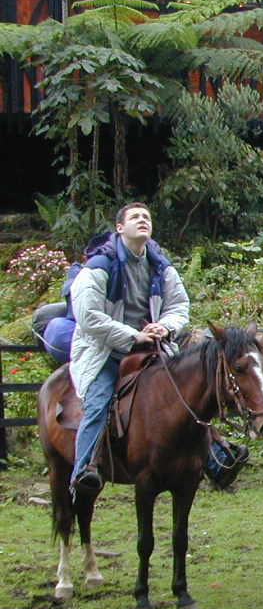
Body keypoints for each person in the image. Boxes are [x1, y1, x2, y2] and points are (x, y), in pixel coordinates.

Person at [68, 203, 190, 493]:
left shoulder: (161, 266)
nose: (142, 220)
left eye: (147, 216)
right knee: (98, 402)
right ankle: (83, 471)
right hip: (106, 351)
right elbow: (88, 316)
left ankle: (213, 455)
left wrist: (166, 326)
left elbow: (179, 305)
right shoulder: (99, 266)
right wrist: (132, 336)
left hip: (151, 349)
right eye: (135, 217)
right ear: (120, 228)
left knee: (189, 391)